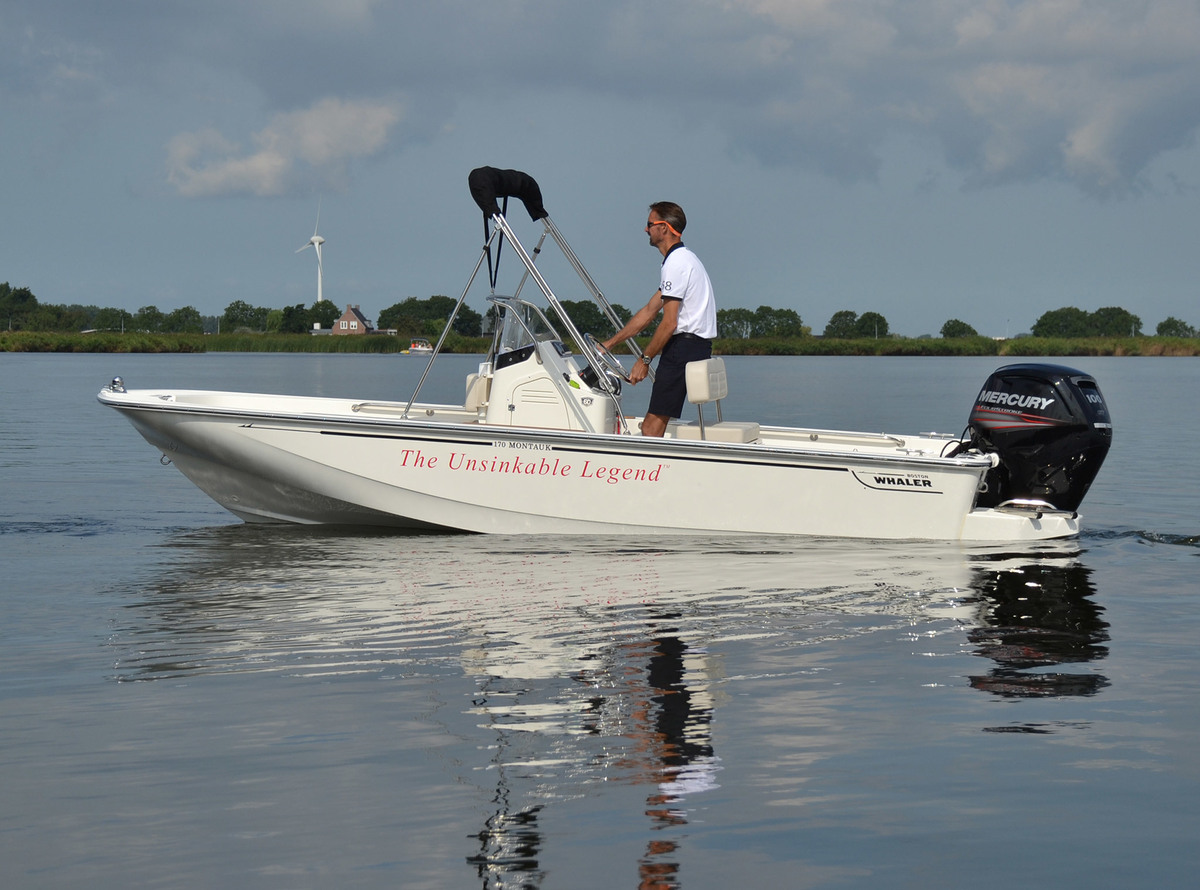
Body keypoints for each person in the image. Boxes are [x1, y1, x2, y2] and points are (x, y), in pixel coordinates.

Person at [602, 202, 718, 437]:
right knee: (655, 423)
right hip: (692, 347)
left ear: (663, 227)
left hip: (683, 350)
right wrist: (608, 344)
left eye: (650, 224)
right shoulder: (685, 259)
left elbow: (669, 323)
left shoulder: (676, 264)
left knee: (650, 427)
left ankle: (648, 461)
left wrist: (644, 361)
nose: (646, 229)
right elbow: (649, 311)